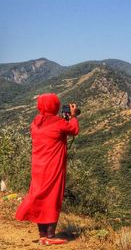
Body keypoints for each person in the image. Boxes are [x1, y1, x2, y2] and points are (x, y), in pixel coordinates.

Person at [15, 93, 79, 246]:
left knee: (40, 198)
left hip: (38, 167)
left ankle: (42, 235)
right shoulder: (58, 123)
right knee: (52, 198)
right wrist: (73, 116)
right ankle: (50, 236)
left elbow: (53, 130)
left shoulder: (35, 123)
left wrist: (64, 119)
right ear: (55, 106)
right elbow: (73, 130)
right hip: (53, 167)